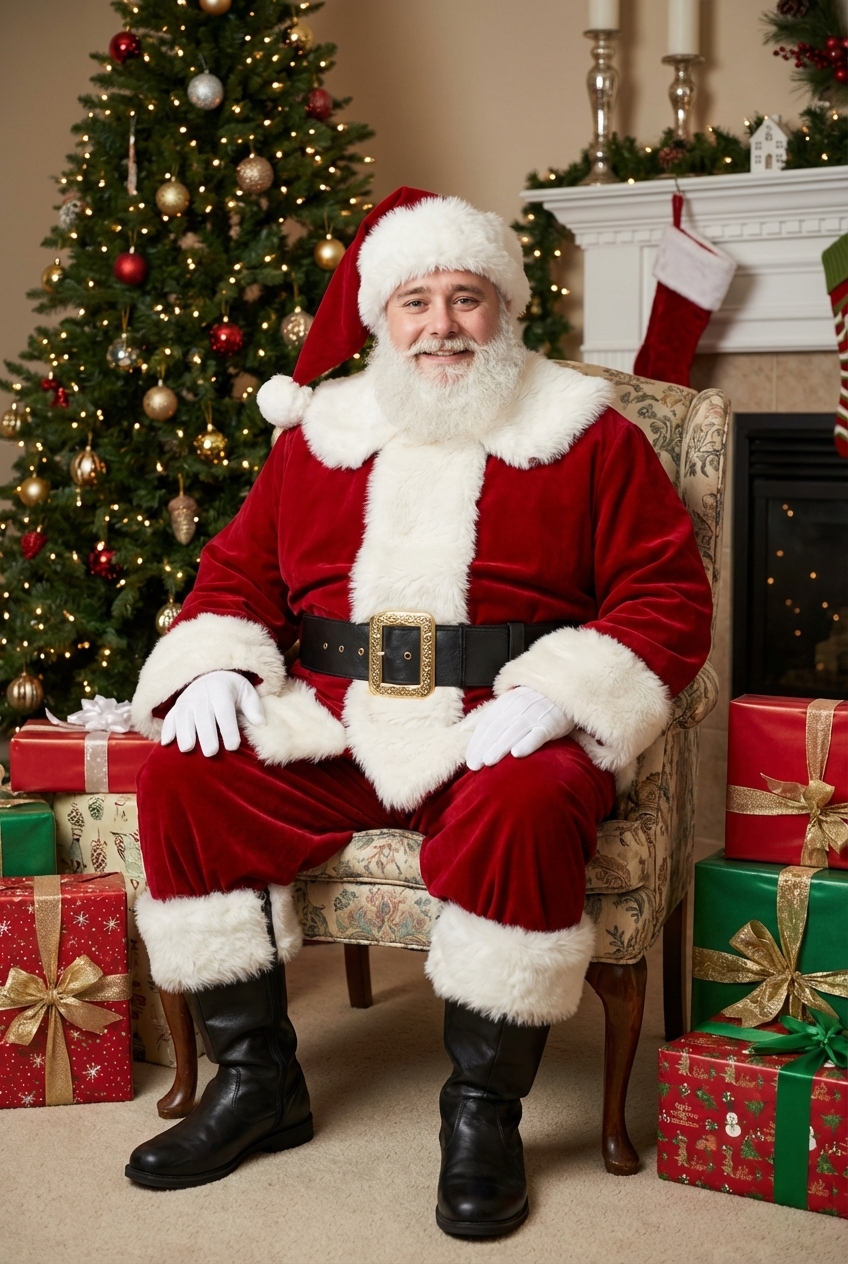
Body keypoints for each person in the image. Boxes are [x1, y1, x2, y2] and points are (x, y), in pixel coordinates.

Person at [126, 187, 712, 1238]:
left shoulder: (587, 435)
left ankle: (482, 1111)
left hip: (497, 727)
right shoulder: (319, 437)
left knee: (531, 802)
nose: (441, 325)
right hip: (334, 723)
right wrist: (214, 661)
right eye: (415, 301)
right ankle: (257, 1083)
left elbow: (665, 595)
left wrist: (561, 692)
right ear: (381, 320)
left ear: (505, 308)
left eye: (465, 298)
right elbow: (237, 574)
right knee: (183, 773)